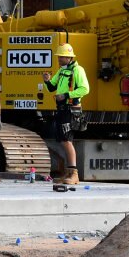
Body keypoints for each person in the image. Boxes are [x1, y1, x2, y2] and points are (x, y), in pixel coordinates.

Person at [42, 43, 90, 185]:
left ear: (69, 57)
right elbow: (52, 88)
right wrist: (46, 81)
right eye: (58, 56)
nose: (58, 59)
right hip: (62, 109)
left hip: (70, 109)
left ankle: (74, 174)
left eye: (61, 57)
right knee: (63, 140)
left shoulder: (78, 70)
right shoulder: (62, 71)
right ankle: (69, 172)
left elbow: (85, 89)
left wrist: (67, 95)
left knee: (67, 140)